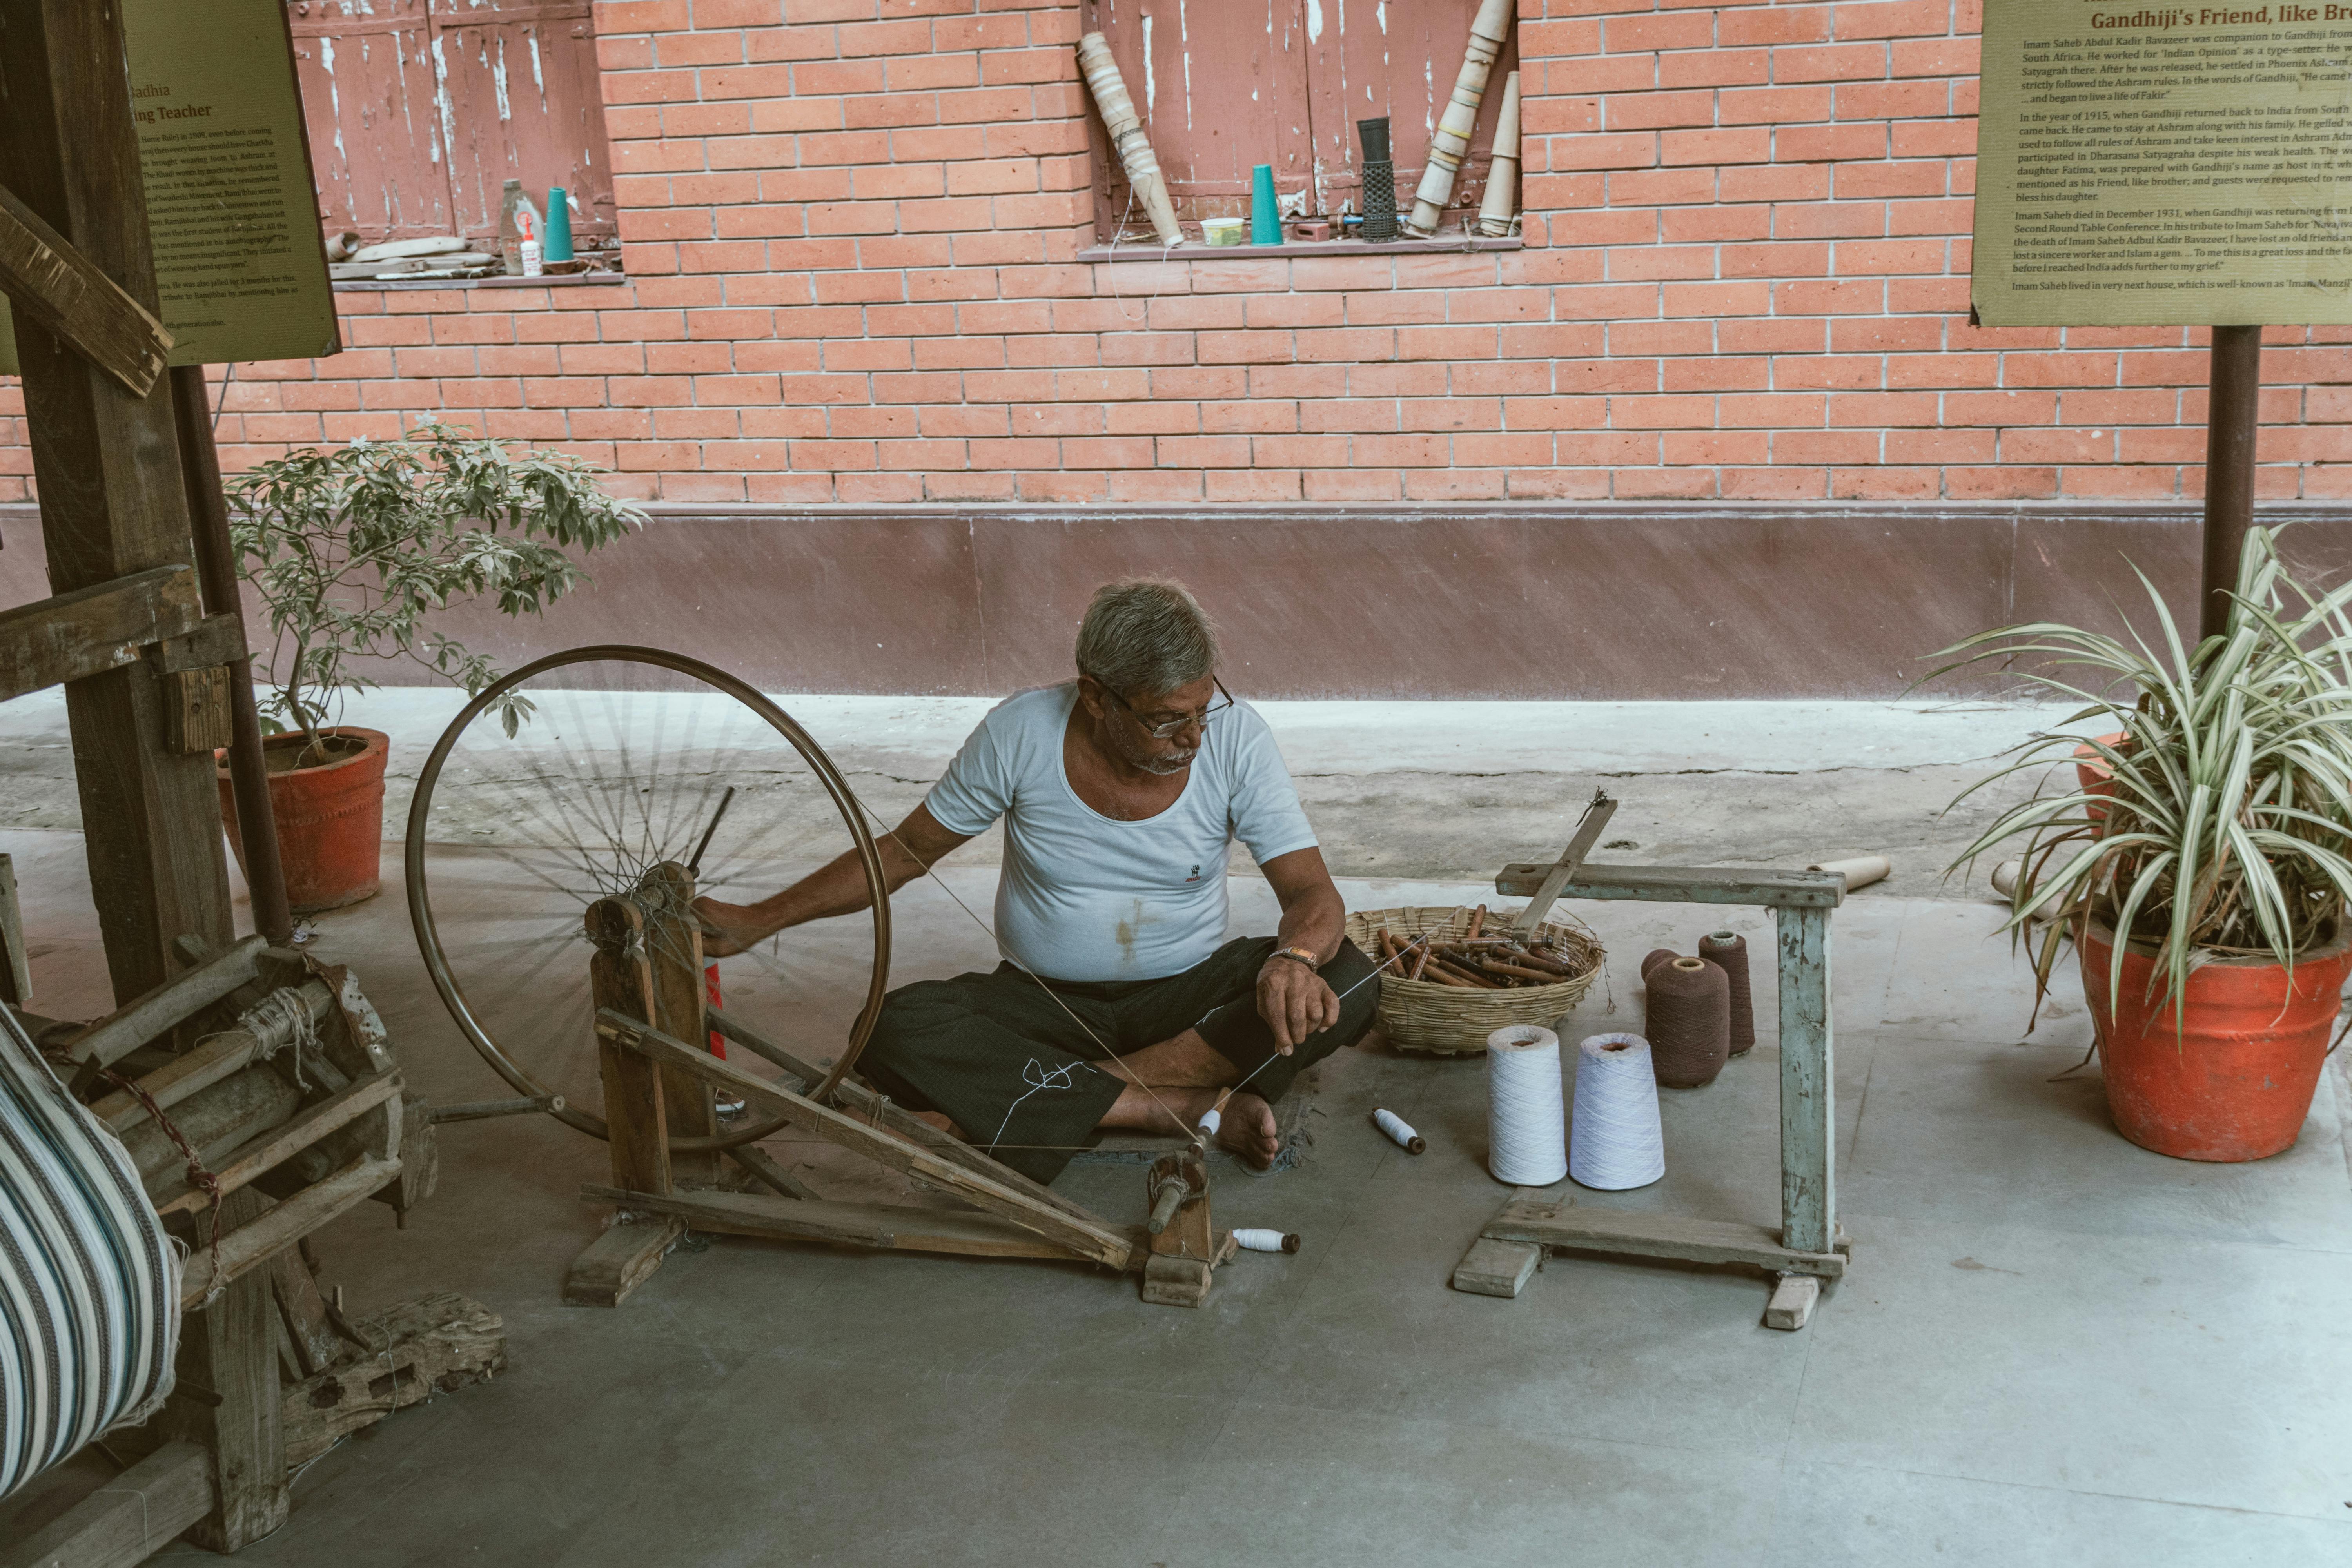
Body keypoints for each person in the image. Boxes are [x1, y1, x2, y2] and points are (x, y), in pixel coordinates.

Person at [693, 579, 1377, 1183]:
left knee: (1350, 978)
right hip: (1046, 1008)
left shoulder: (1237, 739)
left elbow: (1313, 895)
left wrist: (1295, 959)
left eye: (1204, 709)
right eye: (1167, 719)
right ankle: (1169, 1105)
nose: (1194, 736)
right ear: (1097, 698)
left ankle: (1052, 1102)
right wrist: (760, 920)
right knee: (890, 1029)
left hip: (1186, 996)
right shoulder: (1022, 732)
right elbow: (904, 853)